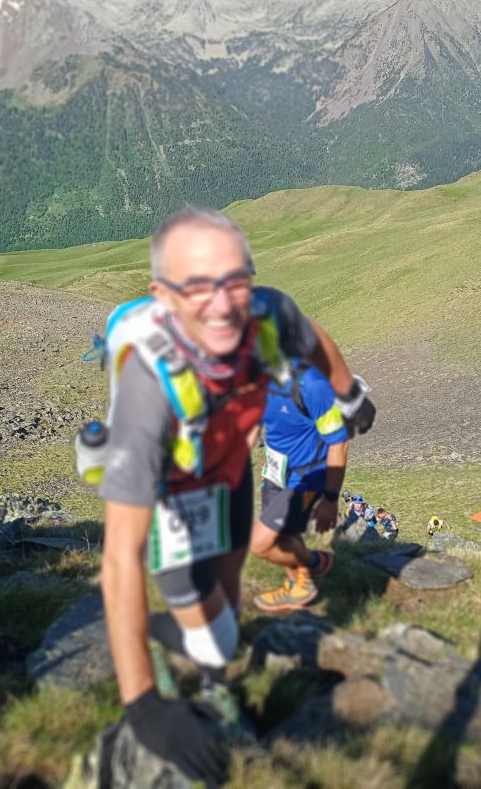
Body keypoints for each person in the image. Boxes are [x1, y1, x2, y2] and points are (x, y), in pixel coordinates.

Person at [98, 207, 375, 785]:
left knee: (225, 591)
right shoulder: (147, 391)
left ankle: (213, 679)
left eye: (235, 280)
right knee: (193, 600)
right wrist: (142, 705)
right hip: (176, 484)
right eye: (198, 286)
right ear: (163, 295)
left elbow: (309, 333)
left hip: (234, 468)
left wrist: (348, 393)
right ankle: (179, 647)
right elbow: (120, 554)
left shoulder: (267, 312)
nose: (223, 303)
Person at [249, 364, 349, 612]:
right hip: (274, 471)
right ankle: (297, 588)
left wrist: (330, 499)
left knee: (258, 543)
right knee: (286, 537)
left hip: (304, 479)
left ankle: (316, 563)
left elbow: (339, 443)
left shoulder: (312, 385)